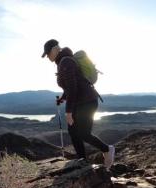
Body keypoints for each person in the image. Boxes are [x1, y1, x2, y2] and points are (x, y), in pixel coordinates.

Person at [42, 39, 115, 168]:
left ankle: (107, 149)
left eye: (48, 53)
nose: (47, 57)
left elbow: (73, 88)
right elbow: (72, 86)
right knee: (73, 131)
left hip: (86, 102)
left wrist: (68, 112)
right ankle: (82, 159)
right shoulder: (64, 61)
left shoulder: (66, 62)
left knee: (83, 133)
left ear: (54, 49)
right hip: (83, 101)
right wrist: (62, 99)